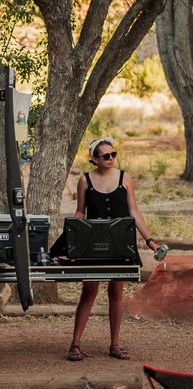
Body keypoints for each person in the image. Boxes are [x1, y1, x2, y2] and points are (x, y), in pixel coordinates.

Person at [66, 136, 162, 361]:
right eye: (105, 156)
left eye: (113, 154)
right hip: (93, 244)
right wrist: (72, 232)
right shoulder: (85, 181)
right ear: (94, 159)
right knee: (88, 292)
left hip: (120, 243)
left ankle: (115, 344)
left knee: (116, 292)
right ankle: (75, 344)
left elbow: (134, 211)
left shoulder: (124, 178)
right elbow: (80, 211)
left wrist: (149, 240)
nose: (110, 159)